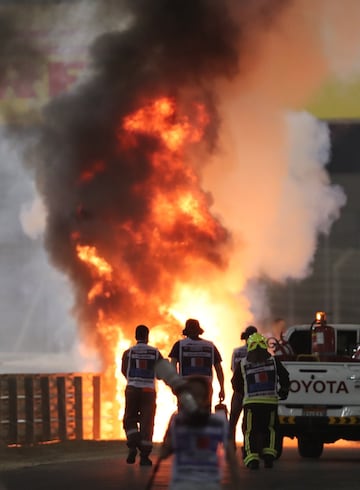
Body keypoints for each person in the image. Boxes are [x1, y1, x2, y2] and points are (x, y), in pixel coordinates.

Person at [159, 375, 239, 490]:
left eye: (199, 396)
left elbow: (231, 457)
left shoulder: (219, 421)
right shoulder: (177, 420)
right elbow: (165, 451)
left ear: (206, 399)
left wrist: (236, 484)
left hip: (209, 484)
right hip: (181, 484)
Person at [231, 332, 290, 470]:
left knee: (250, 430)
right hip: (270, 403)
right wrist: (283, 391)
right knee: (271, 429)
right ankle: (269, 456)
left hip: (251, 404)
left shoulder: (242, 363)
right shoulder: (274, 361)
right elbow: (285, 377)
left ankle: (252, 459)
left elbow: (235, 384)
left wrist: (245, 393)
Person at [121, 324, 163, 466]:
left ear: (135, 336)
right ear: (147, 336)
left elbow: (124, 371)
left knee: (129, 418)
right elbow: (160, 374)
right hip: (148, 392)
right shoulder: (155, 353)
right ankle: (144, 456)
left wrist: (133, 381)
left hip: (132, 389)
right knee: (147, 423)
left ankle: (133, 445)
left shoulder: (128, 352)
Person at [168, 318, 225, 403]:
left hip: (186, 385)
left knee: (185, 414)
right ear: (199, 330)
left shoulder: (179, 345)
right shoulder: (210, 346)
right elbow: (219, 369)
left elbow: (172, 366)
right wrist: (222, 388)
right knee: (204, 414)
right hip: (205, 387)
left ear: (186, 331)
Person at [228, 325, 257, 450]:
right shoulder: (260, 353)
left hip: (239, 390)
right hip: (253, 391)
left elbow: (232, 369)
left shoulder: (237, 351)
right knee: (249, 421)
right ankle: (248, 445)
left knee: (233, 419)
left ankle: (231, 446)